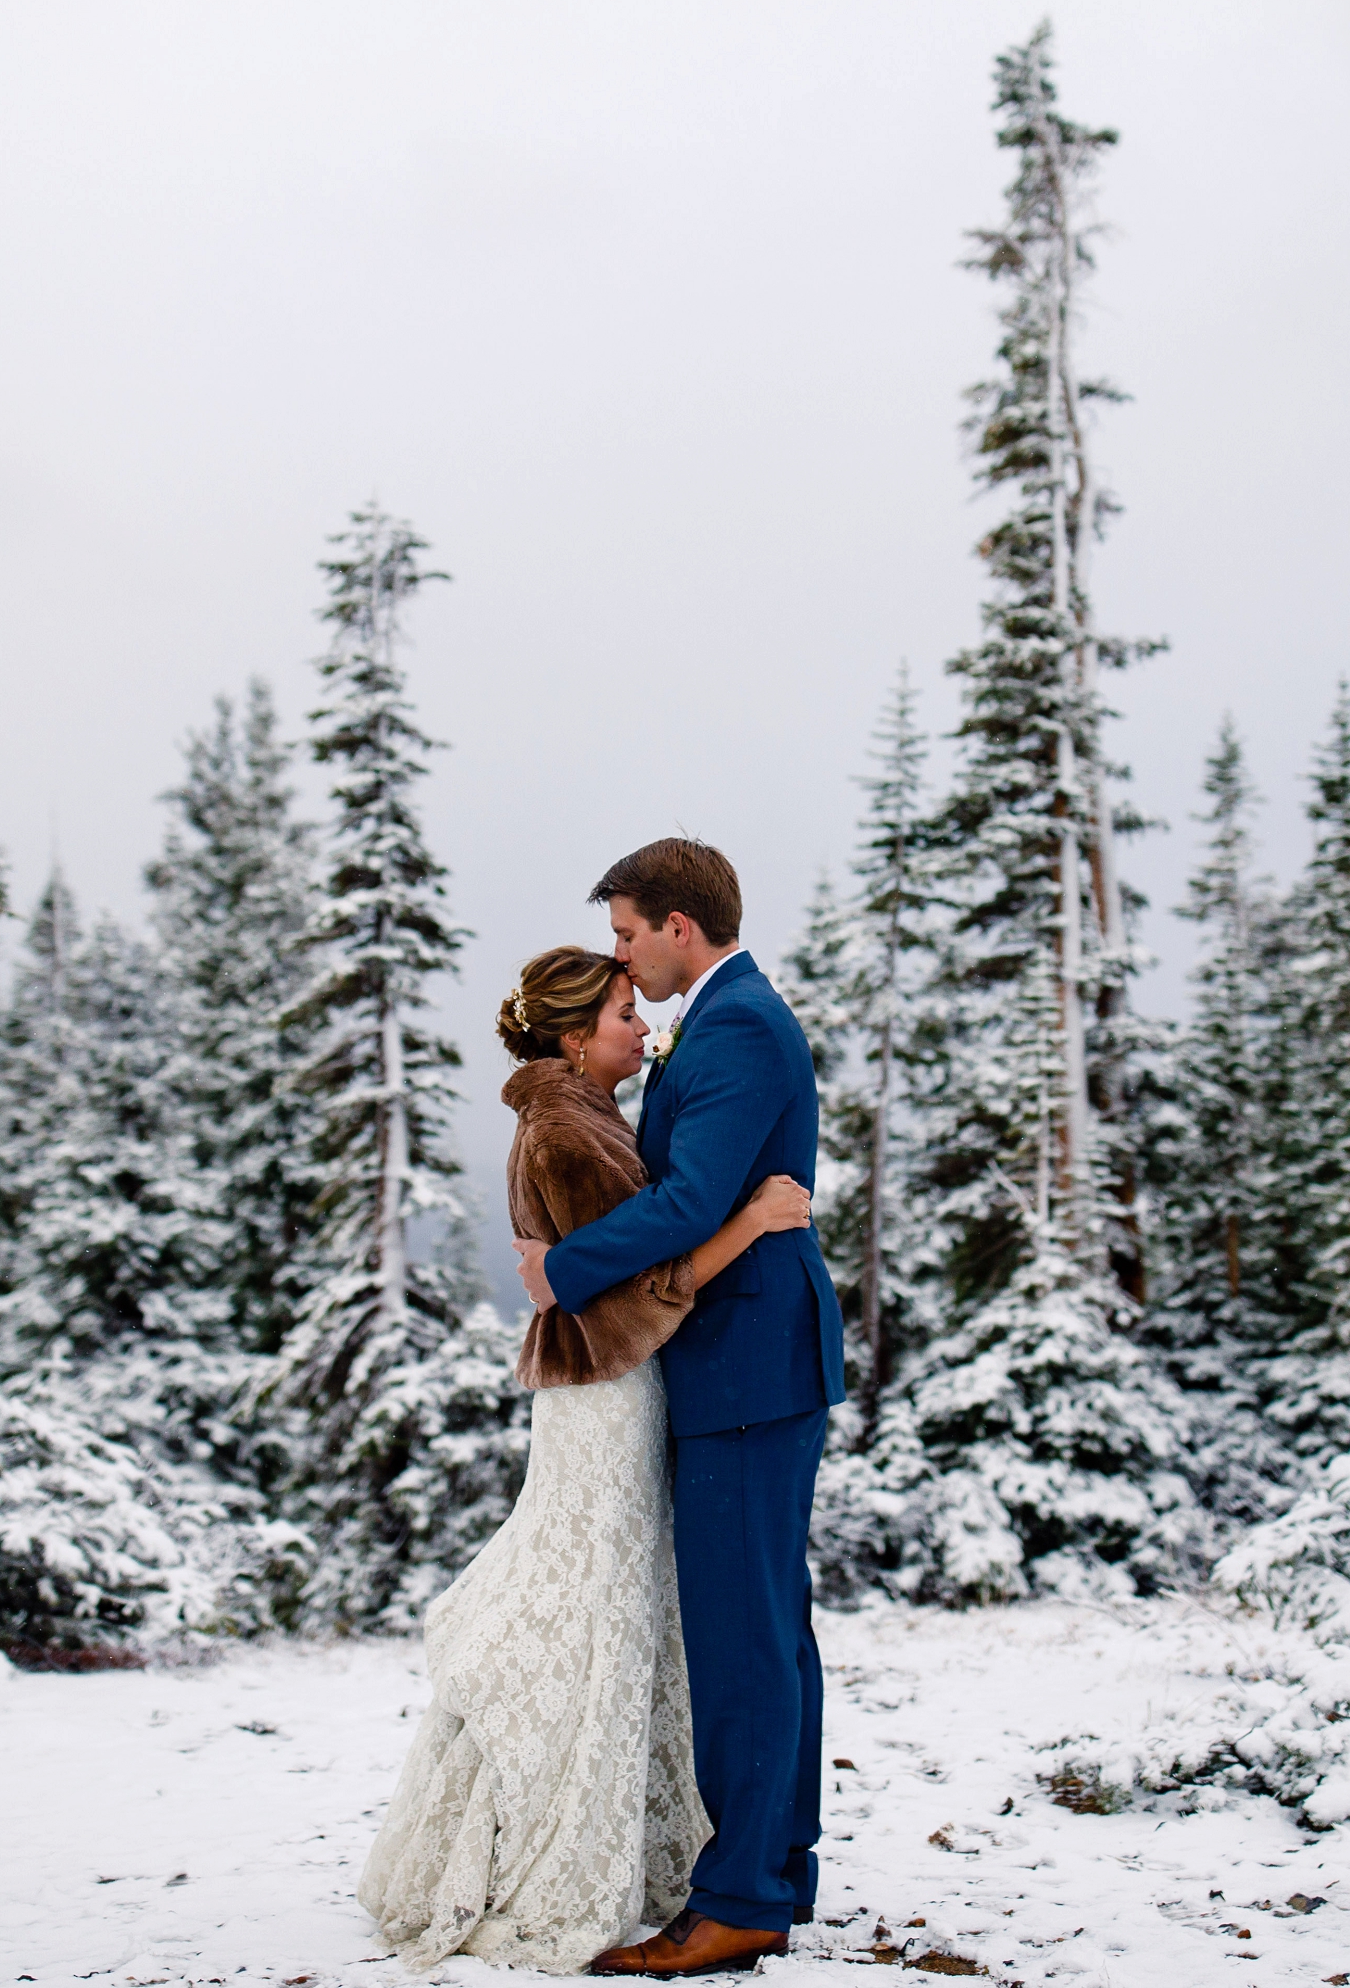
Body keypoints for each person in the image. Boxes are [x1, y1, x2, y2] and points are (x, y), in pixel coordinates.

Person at [357, 941, 816, 1973]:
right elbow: (631, 1285)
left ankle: (648, 1841)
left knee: (613, 1608)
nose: (640, 1023)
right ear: (573, 1037)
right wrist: (749, 1217)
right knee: (590, 1610)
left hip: (615, 1387)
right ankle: (540, 1842)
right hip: (608, 1387)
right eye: (619, 1012)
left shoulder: (585, 1106)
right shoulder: (567, 1120)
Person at [523, 840, 844, 1979]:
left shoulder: (740, 1023)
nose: (618, 953)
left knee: (740, 1634)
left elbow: (692, 1197)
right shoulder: (715, 1022)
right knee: (763, 1627)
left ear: (677, 923)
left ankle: (744, 1897)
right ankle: (773, 1865)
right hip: (739, 1367)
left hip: (746, 1371)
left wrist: (558, 1268)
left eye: (624, 932)